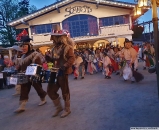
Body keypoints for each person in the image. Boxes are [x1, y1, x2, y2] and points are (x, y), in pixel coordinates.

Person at [45, 29, 75, 118]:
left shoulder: (67, 48)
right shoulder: (53, 49)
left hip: (63, 72)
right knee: (50, 90)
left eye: (53, 37)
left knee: (65, 91)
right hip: (54, 72)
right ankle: (58, 107)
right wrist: (48, 59)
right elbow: (54, 60)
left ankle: (67, 109)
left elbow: (72, 58)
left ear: (58, 38)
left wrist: (65, 65)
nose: (52, 39)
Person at [14, 36, 47, 113]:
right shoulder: (23, 56)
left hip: (33, 75)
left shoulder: (35, 54)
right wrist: (18, 67)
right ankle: (22, 106)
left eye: (25, 46)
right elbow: (22, 65)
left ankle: (43, 98)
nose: (23, 48)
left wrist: (30, 70)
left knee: (38, 88)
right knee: (24, 90)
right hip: (25, 76)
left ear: (29, 46)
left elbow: (38, 64)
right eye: (22, 46)